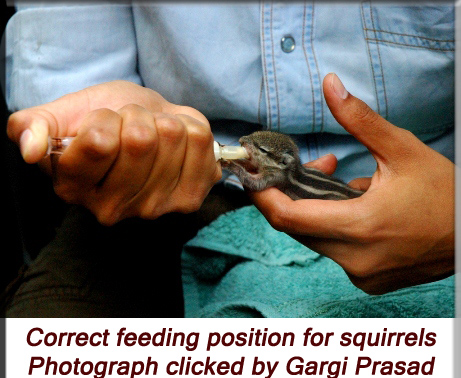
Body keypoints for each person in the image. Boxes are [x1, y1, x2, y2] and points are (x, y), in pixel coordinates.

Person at [3, 2, 455, 317]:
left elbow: (260, 180)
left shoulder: (274, 173)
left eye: (256, 154)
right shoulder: (262, 168)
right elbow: (65, 76)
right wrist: (116, 132)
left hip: (429, 191)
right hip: (161, 197)